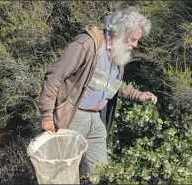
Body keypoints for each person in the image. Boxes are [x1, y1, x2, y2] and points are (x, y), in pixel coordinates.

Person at [39, 6, 157, 179]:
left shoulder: (118, 55)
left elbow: (112, 86)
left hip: (96, 120)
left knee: (100, 174)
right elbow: (54, 77)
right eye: (132, 39)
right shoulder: (87, 44)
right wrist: (47, 116)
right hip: (73, 117)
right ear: (119, 31)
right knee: (62, 175)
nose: (135, 45)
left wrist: (138, 95)